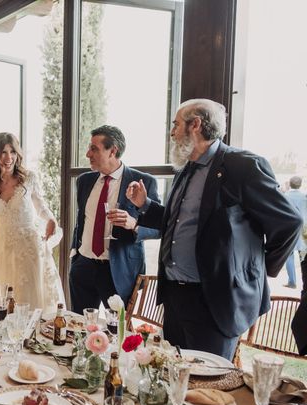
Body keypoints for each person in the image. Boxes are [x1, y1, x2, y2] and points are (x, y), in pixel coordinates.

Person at [125, 98, 302, 360]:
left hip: (214, 303)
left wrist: (256, 269)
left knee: (210, 387)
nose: (172, 133)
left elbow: (289, 222)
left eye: (176, 125)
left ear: (195, 124)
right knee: (175, 380)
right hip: (175, 297)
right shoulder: (185, 169)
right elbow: (178, 222)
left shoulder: (242, 166)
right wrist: (145, 205)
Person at [0, 131, 64, 312]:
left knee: (30, 300)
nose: (8, 157)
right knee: (6, 302)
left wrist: (50, 219)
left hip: (29, 248)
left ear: (18, 154)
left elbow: (41, 207)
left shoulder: (29, 178)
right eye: (3, 152)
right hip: (2, 249)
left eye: (12, 152)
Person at [69, 125, 160, 314]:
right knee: (79, 330)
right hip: (83, 267)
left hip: (118, 271)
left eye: (94, 148)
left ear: (113, 151)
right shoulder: (84, 181)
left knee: (119, 332)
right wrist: (74, 255)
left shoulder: (144, 182)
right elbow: (81, 220)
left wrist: (134, 224)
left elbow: (158, 227)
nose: (88, 154)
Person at [283, 176, 306, 288]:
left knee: (289, 256)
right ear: (300, 185)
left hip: (289, 230)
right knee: (303, 257)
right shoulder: (304, 197)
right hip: (303, 231)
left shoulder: (284, 196)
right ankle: (305, 282)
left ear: (290, 184)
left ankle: (292, 282)